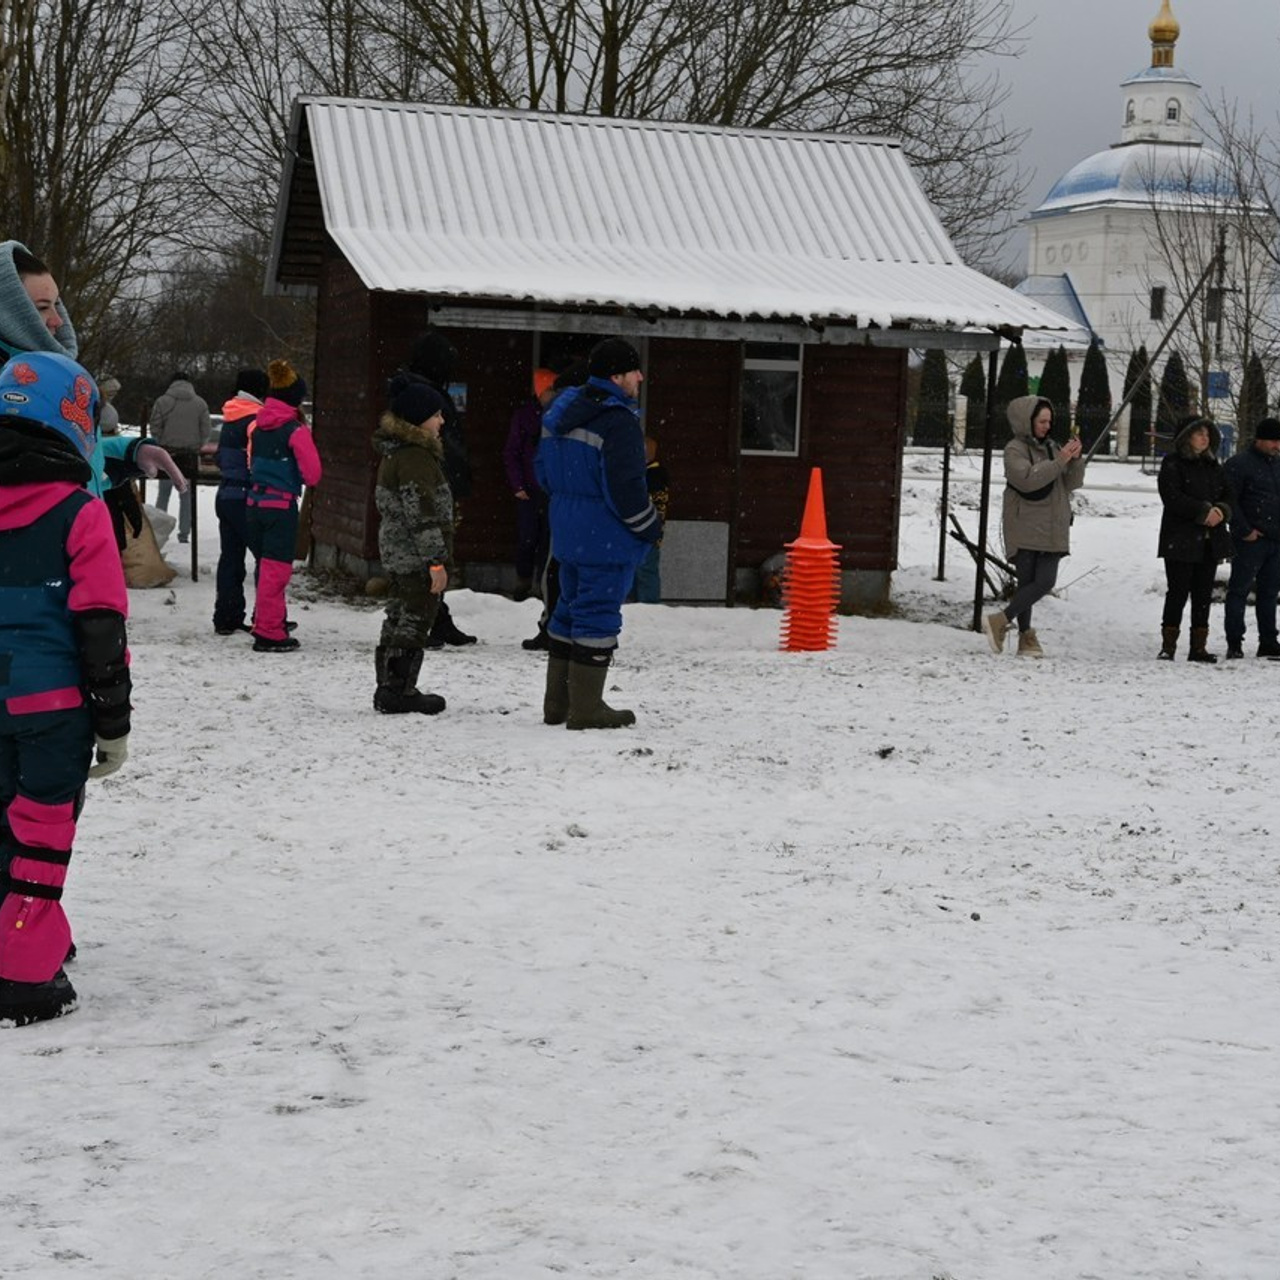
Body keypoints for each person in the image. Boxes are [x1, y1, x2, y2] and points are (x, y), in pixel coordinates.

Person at [0, 352, 131, 1027]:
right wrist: (114, 722)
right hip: (52, 709)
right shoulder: (80, 512)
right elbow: (101, 626)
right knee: (42, 834)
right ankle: (22, 973)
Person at [535, 337, 661, 729]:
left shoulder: (560, 414)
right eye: (634, 370)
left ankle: (556, 705)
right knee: (598, 616)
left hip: (567, 534)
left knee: (568, 612)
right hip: (606, 538)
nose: (640, 377)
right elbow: (627, 491)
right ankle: (587, 709)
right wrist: (650, 528)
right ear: (616, 376)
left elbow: (541, 474)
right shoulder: (618, 422)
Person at [0, 241, 186, 503]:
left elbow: (66, 460)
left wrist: (129, 453)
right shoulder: (10, 386)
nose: (58, 320)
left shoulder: (52, 375)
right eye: (43, 307)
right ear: (8, 313)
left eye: (56, 305)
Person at [371, 374, 453, 715]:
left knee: (398, 615)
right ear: (420, 418)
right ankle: (399, 690)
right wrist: (435, 561)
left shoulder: (398, 454)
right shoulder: (415, 458)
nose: (442, 421)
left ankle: (388, 687)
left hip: (398, 551)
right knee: (415, 618)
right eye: (436, 415)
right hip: (415, 555)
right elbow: (422, 513)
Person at [983, 395, 1084, 657]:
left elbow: (1069, 484)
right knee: (1027, 581)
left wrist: (1075, 461)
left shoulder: (1053, 448)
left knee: (1044, 581)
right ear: (1027, 421)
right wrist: (1060, 461)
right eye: (1041, 421)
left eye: (1049, 421)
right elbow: (1028, 479)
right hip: (1025, 523)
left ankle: (1000, 620)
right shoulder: (1014, 449)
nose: (1047, 426)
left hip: (1052, 525)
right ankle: (1026, 638)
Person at [405, 330, 476, 647]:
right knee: (428, 551)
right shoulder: (421, 392)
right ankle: (427, 621)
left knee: (437, 551)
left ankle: (437, 618)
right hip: (433, 482)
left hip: (442, 480)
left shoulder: (423, 388)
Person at [245, 360, 321, 653]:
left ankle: (270, 619)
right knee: (276, 571)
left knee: (265, 568)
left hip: (253, 504)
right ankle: (268, 631)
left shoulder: (258, 427)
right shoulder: (295, 430)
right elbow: (313, 473)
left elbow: (252, 462)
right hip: (280, 507)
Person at [521, 361, 589, 651]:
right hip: (592, 502)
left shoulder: (555, 413)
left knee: (555, 565)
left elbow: (541, 462)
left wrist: (554, 489)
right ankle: (580, 628)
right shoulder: (601, 410)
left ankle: (552, 625)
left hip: (562, 500)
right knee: (584, 567)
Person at [1156, 415, 1232, 663]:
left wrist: (1220, 511)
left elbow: (1229, 495)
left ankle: (1198, 647)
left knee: (1202, 595)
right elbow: (1172, 497)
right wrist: (1202, 512)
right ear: (1187, 437)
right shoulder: (1173, 464)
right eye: (1199, 433)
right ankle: (1168, 645)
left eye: (1207, 434)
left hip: (1210, 541)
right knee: (1177, 592)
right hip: (1180, 540)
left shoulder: (1214, 467)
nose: (1204, 438)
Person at [213, 369, 268, 636]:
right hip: (246, 495)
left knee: (231, 559)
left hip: (225, 493)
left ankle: (226, 616)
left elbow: (221, 458)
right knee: (265, 557)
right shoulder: (255, 418)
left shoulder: (231, 414)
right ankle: (266, 618)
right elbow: (256, 462)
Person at [1221, 416, 1280, 660]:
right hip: (1250, 540)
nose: (1277, 445)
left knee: (1269, 593)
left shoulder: (1277, 464)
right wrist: (1245, 530)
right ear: (1259, 440)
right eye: (1273, 441)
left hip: (1275, 540)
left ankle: (1268, 640)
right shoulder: (1239, 464)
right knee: (1239, 591)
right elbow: (1230, 500)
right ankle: (1235, 641)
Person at [503, 368, 555, 601]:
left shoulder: (561, 415)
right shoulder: (525, 416)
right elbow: (512, 452)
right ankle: (523, 580)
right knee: (527, 538)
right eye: (550, 390)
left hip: (552, 490)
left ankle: (540, 584)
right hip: (530, 489)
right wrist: (518, 485)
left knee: (548, 539)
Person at [148, 371, 211, 543]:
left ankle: (158, 531)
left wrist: (160, 443)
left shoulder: (162, 401)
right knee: (186, 496)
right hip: (189, 456)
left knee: (164, 493)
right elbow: (206, 430)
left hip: (167, 453)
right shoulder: (200, 403)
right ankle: (184, 533)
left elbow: (154, 426)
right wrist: (197, 446)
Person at [632, 434, 670, 603]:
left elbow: (652, 506)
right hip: (645, 531)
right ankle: (639, 603)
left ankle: (648, 605)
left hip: (646, 532)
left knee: (646, 571)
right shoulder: (653, 474)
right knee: (640, 570)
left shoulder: (652, 476)